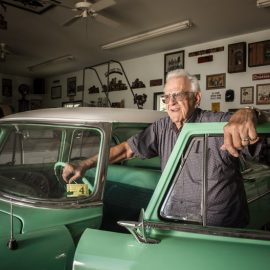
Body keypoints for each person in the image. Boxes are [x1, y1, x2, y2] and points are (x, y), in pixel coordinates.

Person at [63, 69, 261, 228]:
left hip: (219, 229)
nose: (172, 102)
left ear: (196, 98)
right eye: (167, 97)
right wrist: (86, 163)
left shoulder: (219, 123)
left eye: (179, 95)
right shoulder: (161, 127)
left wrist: (250, 113)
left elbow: (256, 140)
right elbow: (126, 150)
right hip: (172, 222)